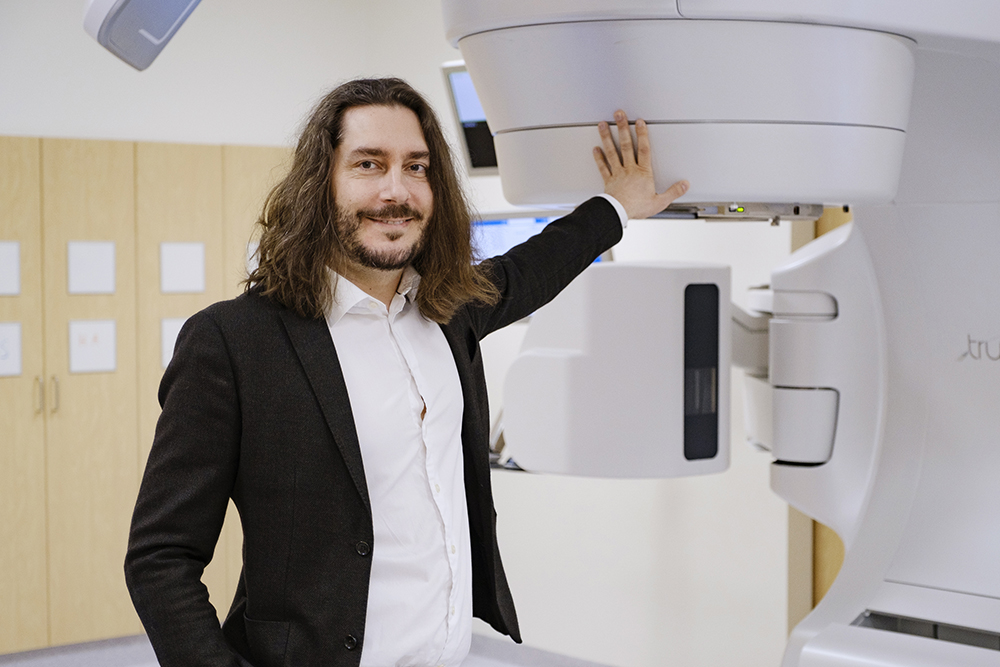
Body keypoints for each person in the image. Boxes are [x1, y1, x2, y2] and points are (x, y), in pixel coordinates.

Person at [124, 77, 688, 667]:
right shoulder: (234, 342)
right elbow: (160, 556)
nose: (397, 190)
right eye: (369, 164)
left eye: (416, 168)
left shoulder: (451, 309)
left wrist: (618, 206)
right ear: (321, 183)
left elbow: (535, 265)